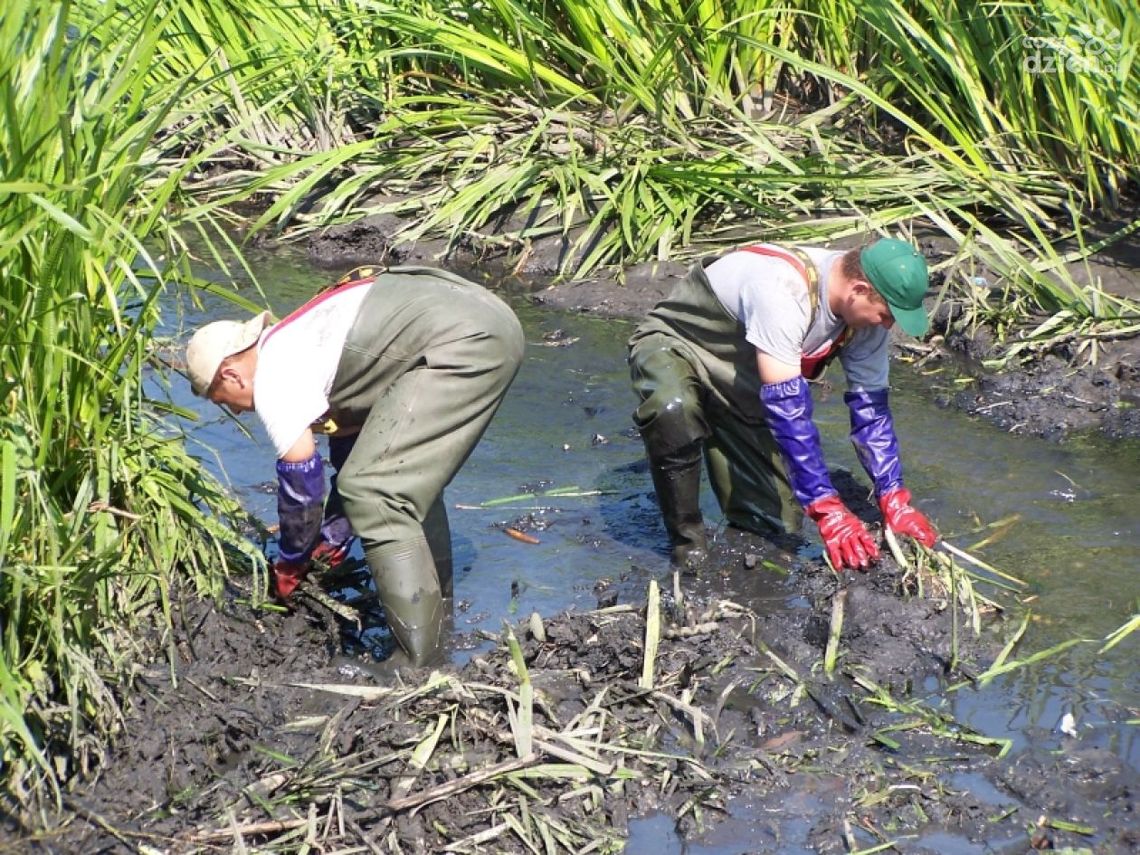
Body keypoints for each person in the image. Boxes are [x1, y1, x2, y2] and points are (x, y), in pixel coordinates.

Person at [186, 266, 525, 665]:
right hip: (487, 317)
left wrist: (291, 564)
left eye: (222, 400)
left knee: (379, 492)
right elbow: (357, 452)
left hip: (465, 340)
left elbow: (302, 487)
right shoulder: (303, 341)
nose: (234, 411)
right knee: (401, 479)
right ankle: (439, 621)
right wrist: (333, 538)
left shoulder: (274, 374)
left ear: (231, 375)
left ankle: (418, 662)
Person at [628, 238, 938, 572]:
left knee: (775, 528)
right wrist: (827, 509)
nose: (888, 325)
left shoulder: (865, 321)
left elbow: (871, 413)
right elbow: (788, 411)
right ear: (858, 290)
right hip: (677, 347)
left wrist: (893, 496)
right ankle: (687, 548)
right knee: (673, 411)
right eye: (887, 315)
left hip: (743, 385)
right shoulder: (782, 290)